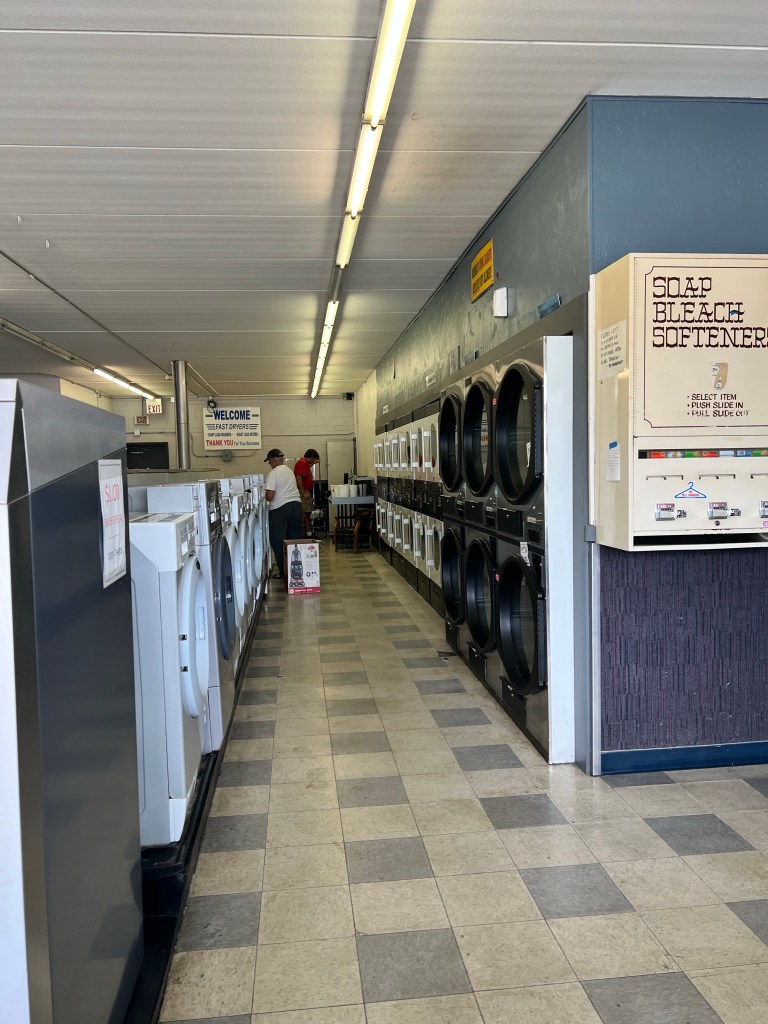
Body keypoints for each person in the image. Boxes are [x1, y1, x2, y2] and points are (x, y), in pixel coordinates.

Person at [263, 448, 302, 579]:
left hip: (281, 508)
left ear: (274, 460)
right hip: (296, 506)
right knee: (294, 540)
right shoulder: (289, 471)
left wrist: (264, 495)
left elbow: (270, 496)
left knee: (278, 541)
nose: (269, 464)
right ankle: (294, 572)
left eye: (269, 461)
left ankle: (283, 572)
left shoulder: (273, 473)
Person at [294, 447, 320, 537]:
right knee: (304, 513)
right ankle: (299, 533)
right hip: (303, 491)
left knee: (307, 512)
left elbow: (305, 470)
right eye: (314, 459)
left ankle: (308, 533)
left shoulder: (304, 463)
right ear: (311, 457)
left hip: (305, 491)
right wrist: (304, 492)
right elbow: (299, 477)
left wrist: (313, 463)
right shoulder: (302, 462)